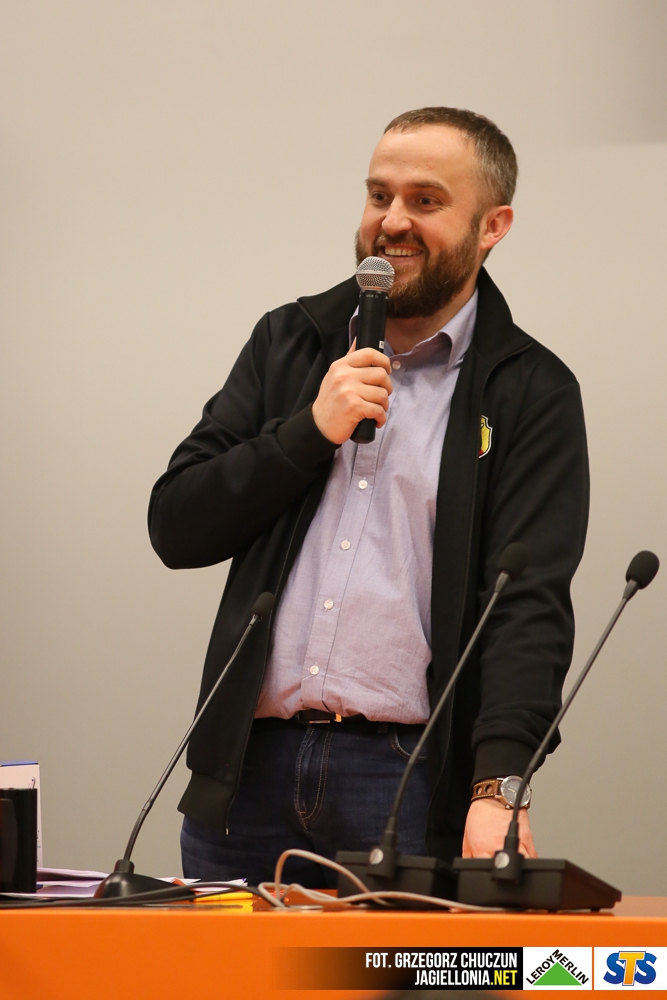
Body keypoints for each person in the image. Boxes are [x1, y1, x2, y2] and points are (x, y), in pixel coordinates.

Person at [148, 107, 589, 887]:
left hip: (407, 775)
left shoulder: (529, 390)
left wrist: (499, 785)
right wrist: (306, 433)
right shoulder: (290, 341)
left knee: (393, 962)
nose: (392, 222)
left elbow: (526, 607)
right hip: (248, 771)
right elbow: (177, 525)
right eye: (378, 195)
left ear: (492, 226)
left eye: (425, 200)